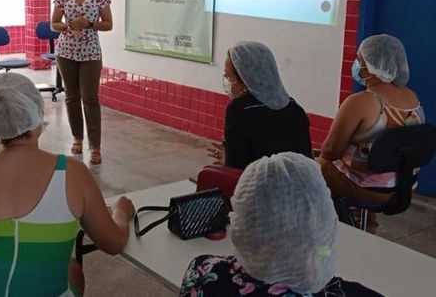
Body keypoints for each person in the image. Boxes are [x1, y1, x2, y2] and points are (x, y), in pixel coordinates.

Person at [0, 73, 135, 297]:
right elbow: (113, 243)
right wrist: (121, 211)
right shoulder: (72, 174)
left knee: (69, 269)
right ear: (37, 115)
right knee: (72, 270)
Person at [180, 152, 382, 296]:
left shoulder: (204, 273)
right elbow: (323, 251)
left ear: (241, 221)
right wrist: (321, 251)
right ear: (325, 217)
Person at [318, 34, 424, 231]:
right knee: (364, 165)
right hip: (404, 185)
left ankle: (330, 232)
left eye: (359, 60)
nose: (356, 65)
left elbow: (330, 151)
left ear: (372, 67)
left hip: (369, 189)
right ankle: (367, 225)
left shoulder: (362, 101)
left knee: (315, 166)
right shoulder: (413, 98)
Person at [207, 41, 312, 169]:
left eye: (228, 76)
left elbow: (235, 166)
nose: (226, 81)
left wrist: (226, 158)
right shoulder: (294, 108)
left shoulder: (239, 110)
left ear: (245, 80)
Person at [51, 0, 113, 164]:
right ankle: (77, 137)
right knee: (71, 96)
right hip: (66, 53)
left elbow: (108, 24)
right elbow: (53, 24)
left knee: (90, 98)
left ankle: (95, 145)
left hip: (90, 54)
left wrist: (88, 23)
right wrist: (68, 26)